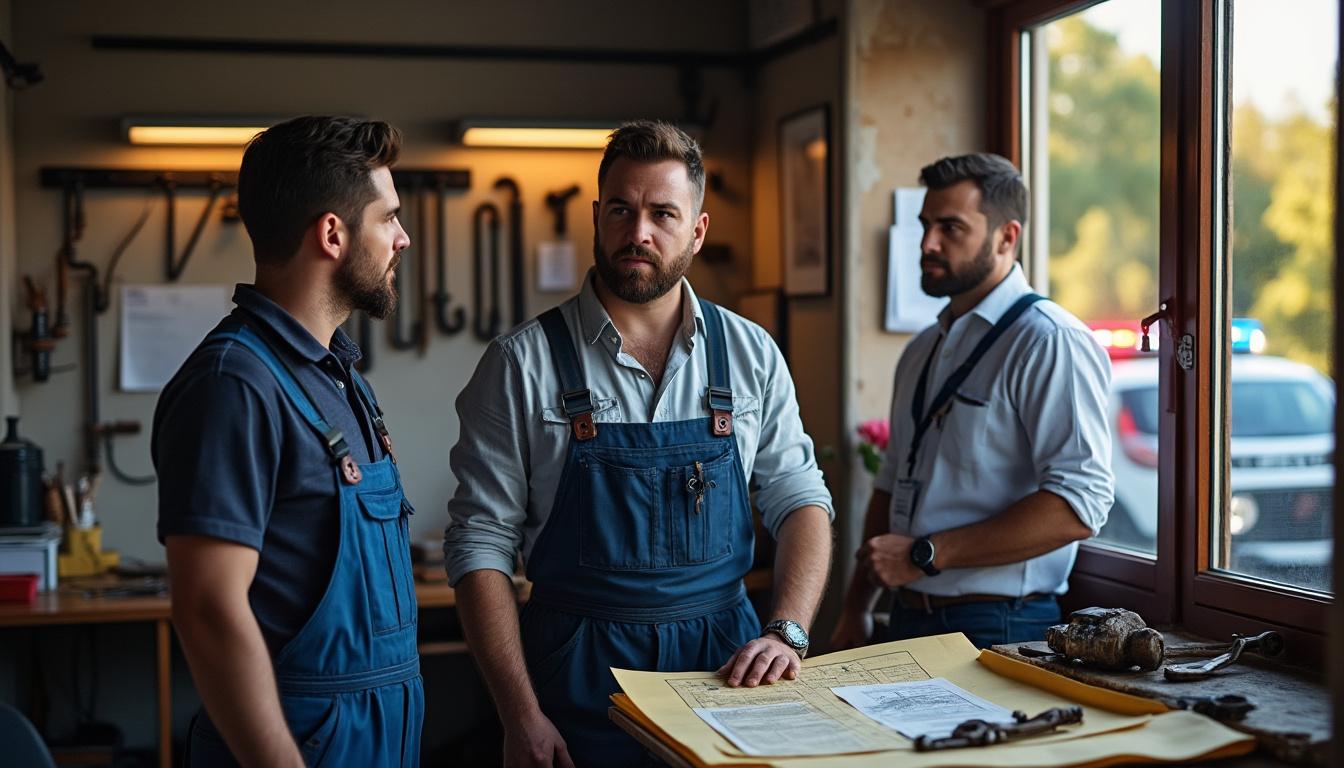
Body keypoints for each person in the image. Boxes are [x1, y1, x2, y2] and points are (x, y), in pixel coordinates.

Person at [444, 120, 834, 768]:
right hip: (576, 682)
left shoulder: (750, 354)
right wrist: (520, 715)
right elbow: (481, 543)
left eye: (662, 214)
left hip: (728, 677)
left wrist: (788, 630)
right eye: (621, 211)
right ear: (597, 217)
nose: (639, 233)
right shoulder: (520, 363)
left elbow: (801, 500)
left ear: (698, 230)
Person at [154, 116, 422, 767]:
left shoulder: (336, 374)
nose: (403, 238)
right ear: (332, 234)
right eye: (388, 218)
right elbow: (208, 607)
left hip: (374, 736)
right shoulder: (236, 385)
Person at [831, 153, 1114, 652]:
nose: (927, 244)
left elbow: (1080, 504)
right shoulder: (922, 348)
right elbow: (892, 480)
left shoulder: (1049, 341)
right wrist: (855, 609)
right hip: (903, 617)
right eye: (924, 226)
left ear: (1007, 236)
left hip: (998, 624)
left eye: (950, 228)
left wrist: (924, 554)